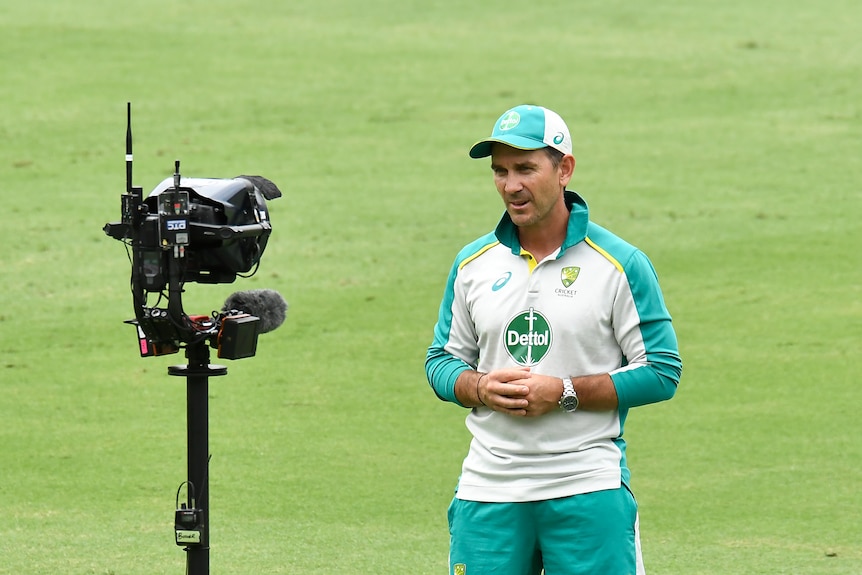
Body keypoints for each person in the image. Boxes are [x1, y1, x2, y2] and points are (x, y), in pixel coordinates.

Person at [424, 104, 682, 575]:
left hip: (587, 486)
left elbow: (661, 371)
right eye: (500, 171)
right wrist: (480, 387)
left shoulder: (619, 264)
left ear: (564, 169)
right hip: (489, 490)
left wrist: (562, 392)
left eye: (525, 168)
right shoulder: (473, 264)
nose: (511, 185)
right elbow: (441, 361)